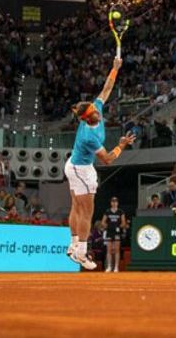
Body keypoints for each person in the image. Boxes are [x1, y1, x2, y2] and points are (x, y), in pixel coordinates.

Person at [64, 56, 135, 270]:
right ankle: (81, 253)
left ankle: (73, 244)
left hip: (74, 166)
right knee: (86, 211)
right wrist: (122, 145)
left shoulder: (95, 108)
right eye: (94, 113)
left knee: (76, 207)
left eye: (96, 110)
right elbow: (107, 159)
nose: (98, 112)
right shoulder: (89, 136)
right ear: (87, 118)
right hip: (81, 170)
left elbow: (106, 89)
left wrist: (115, 69)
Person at [101, 196, 128, 273]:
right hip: (109, 232)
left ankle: (116, 267)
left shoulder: (120, 212)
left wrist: (118, 226)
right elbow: (103, 222)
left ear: (117, 203)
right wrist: (108, 226)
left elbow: (123, 222)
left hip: (117, 232)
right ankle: (109, 266)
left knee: (117, 250)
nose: (114, 203)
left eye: (115, 202)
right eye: (113, 202)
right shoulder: (107, 211)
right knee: (108, 250)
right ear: (110, 203)